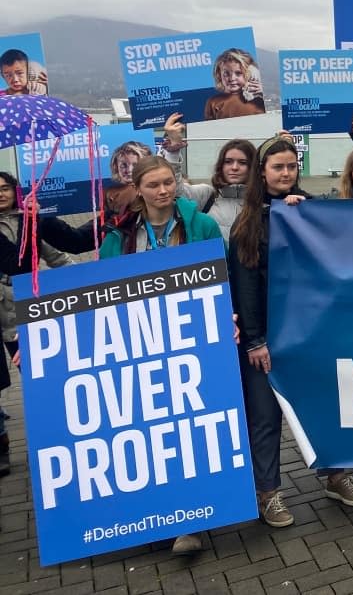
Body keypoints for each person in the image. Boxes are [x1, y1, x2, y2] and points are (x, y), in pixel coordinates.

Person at [229, 137, 353, 531]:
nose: (287, 173)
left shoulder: (310, 210)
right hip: (269, 338)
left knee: (324, 406)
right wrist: (255, 340)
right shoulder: (247, 223)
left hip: (311, 334)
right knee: (265, 417)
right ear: (263, 172)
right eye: (278, 167)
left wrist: (308, 217)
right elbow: (246, 287)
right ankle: (268, 492)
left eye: (292, 166)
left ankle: (336, 474)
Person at [96, 156, 222, 554]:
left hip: (191, 341)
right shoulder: (118, 234)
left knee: (188, 430)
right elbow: (98, 290)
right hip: (138, 344)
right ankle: (150, 513)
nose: (163, 191)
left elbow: (221, 275)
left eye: (169, 182)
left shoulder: (201, 225)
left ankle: (192, 521)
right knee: (149, 432)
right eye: (153, 185)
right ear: (138, 189)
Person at [0, 171, 72, 477]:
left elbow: (56, 258)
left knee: (39, 378)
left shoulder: (30, 221)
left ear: (15, 191)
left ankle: (59, 440)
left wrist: (87, 284)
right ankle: (2, 443)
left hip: (25, 313)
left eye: (5, 188)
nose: (0, 194)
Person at [161, 114, 255, 241]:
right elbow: (176, 193)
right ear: (220, 165)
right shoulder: (207, 195)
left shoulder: (263, 198)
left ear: (253, 167)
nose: (234, 167)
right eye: (228, 161)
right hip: (213, 261)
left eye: (242, 163)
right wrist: (173, 153)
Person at [204, 48, 265, 120]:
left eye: (238, 73)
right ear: (219, 75)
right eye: (226, 74)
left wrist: (263, 95)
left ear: (249, 73)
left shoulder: (260, 98)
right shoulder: (213, 102)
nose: (232, 78)